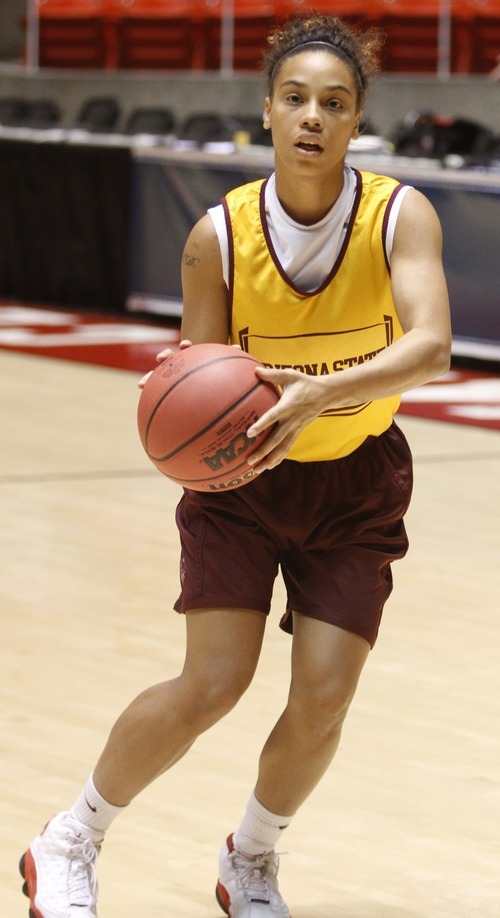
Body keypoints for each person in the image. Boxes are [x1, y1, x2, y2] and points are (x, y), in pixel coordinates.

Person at [20, 12, 451, 918]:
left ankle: (249, 859)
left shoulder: (397, 216)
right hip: (244, 484)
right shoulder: (216, 238)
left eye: (334, 103)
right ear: (266, 109)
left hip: (358, 477)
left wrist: (320, 394)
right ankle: (70, 838)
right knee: (214, 682)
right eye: (295, 97)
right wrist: (183, 400)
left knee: (325, 698)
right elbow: (198, 374)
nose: (312, 116)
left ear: (356, 119)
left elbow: (433, 347)